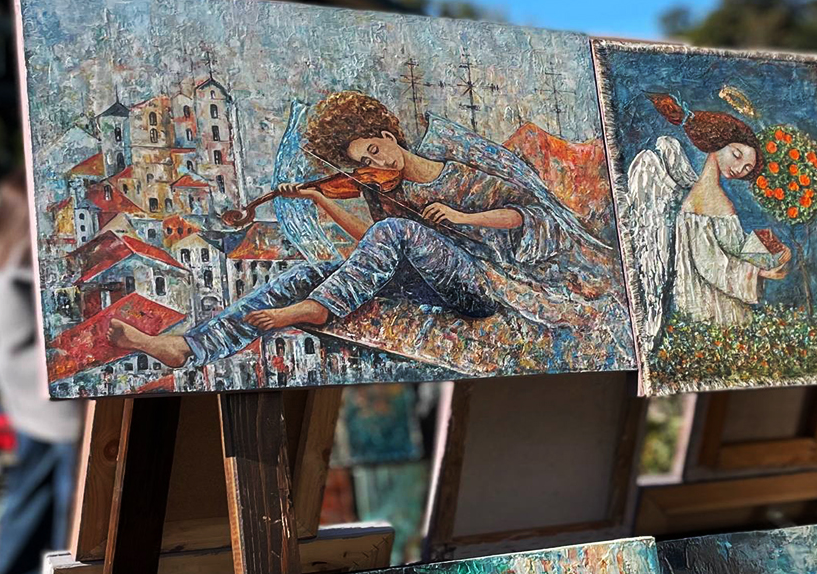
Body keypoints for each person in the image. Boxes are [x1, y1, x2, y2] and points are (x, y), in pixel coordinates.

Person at [107, 91, 609, 370]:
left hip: (482, 285)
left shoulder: (457, 175)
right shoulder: (383, 192)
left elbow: (532, 218)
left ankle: (317, 309)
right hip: (427, 281)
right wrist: (321, 199)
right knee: (310, 273)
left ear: (388, 135)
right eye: (362, 163)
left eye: (373, 151)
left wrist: (463, 219)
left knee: (394, 232)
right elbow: (371, 245)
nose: (374, 164)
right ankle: (190, 347)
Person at [0, 168, 81, 574]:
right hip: (52, 393)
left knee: (29, 495)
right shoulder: (28, 263)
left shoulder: (3, 252)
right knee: (71, 507)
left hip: (22, 386)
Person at [621, 97, 794, 347]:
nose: (739, 169)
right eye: (737, 155)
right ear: (718, 143)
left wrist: (771, 250)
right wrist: (761, 273)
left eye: (747, 168)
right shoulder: (700, 197)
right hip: (710, 305)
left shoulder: (716, 195)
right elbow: (709, 263)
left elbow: (733, 248)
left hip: (725, 302)